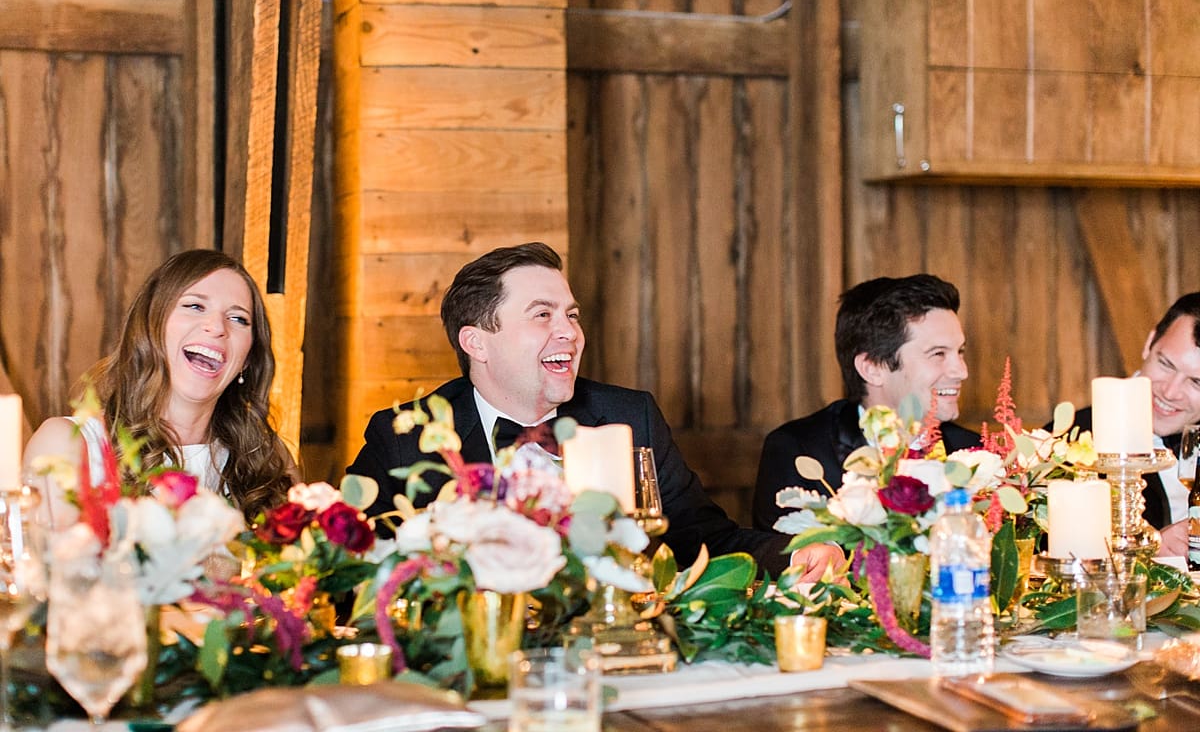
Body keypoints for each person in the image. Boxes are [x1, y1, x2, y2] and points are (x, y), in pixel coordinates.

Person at [346, 242, 840, 579]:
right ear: (477, 342)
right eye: (543, 315)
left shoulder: (629, 416)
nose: (570, 332)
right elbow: (360, 564)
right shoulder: (405, 436)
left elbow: (699, 535)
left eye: (572, 315)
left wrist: (797, 554)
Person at [24, 249, 296, 527]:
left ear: (247, 359)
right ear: (151, 324)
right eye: (195, 306)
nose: (216, 327)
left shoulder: (266, 460)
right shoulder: (68, 445)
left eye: (238, 319)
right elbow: (48, 567)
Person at [753, 274, 981, 532]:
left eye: (959, 351)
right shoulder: (797, 451)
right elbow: (790, 563)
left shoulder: (973, 452)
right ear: (872, 368)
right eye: (938, 354)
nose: (961, 371)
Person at [1069, 292, 1200, 550]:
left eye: (1196, 382)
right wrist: (1150, 554)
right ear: (1149, 342)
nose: (1170, 392)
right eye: (1166, 365)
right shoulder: (1072, 438)